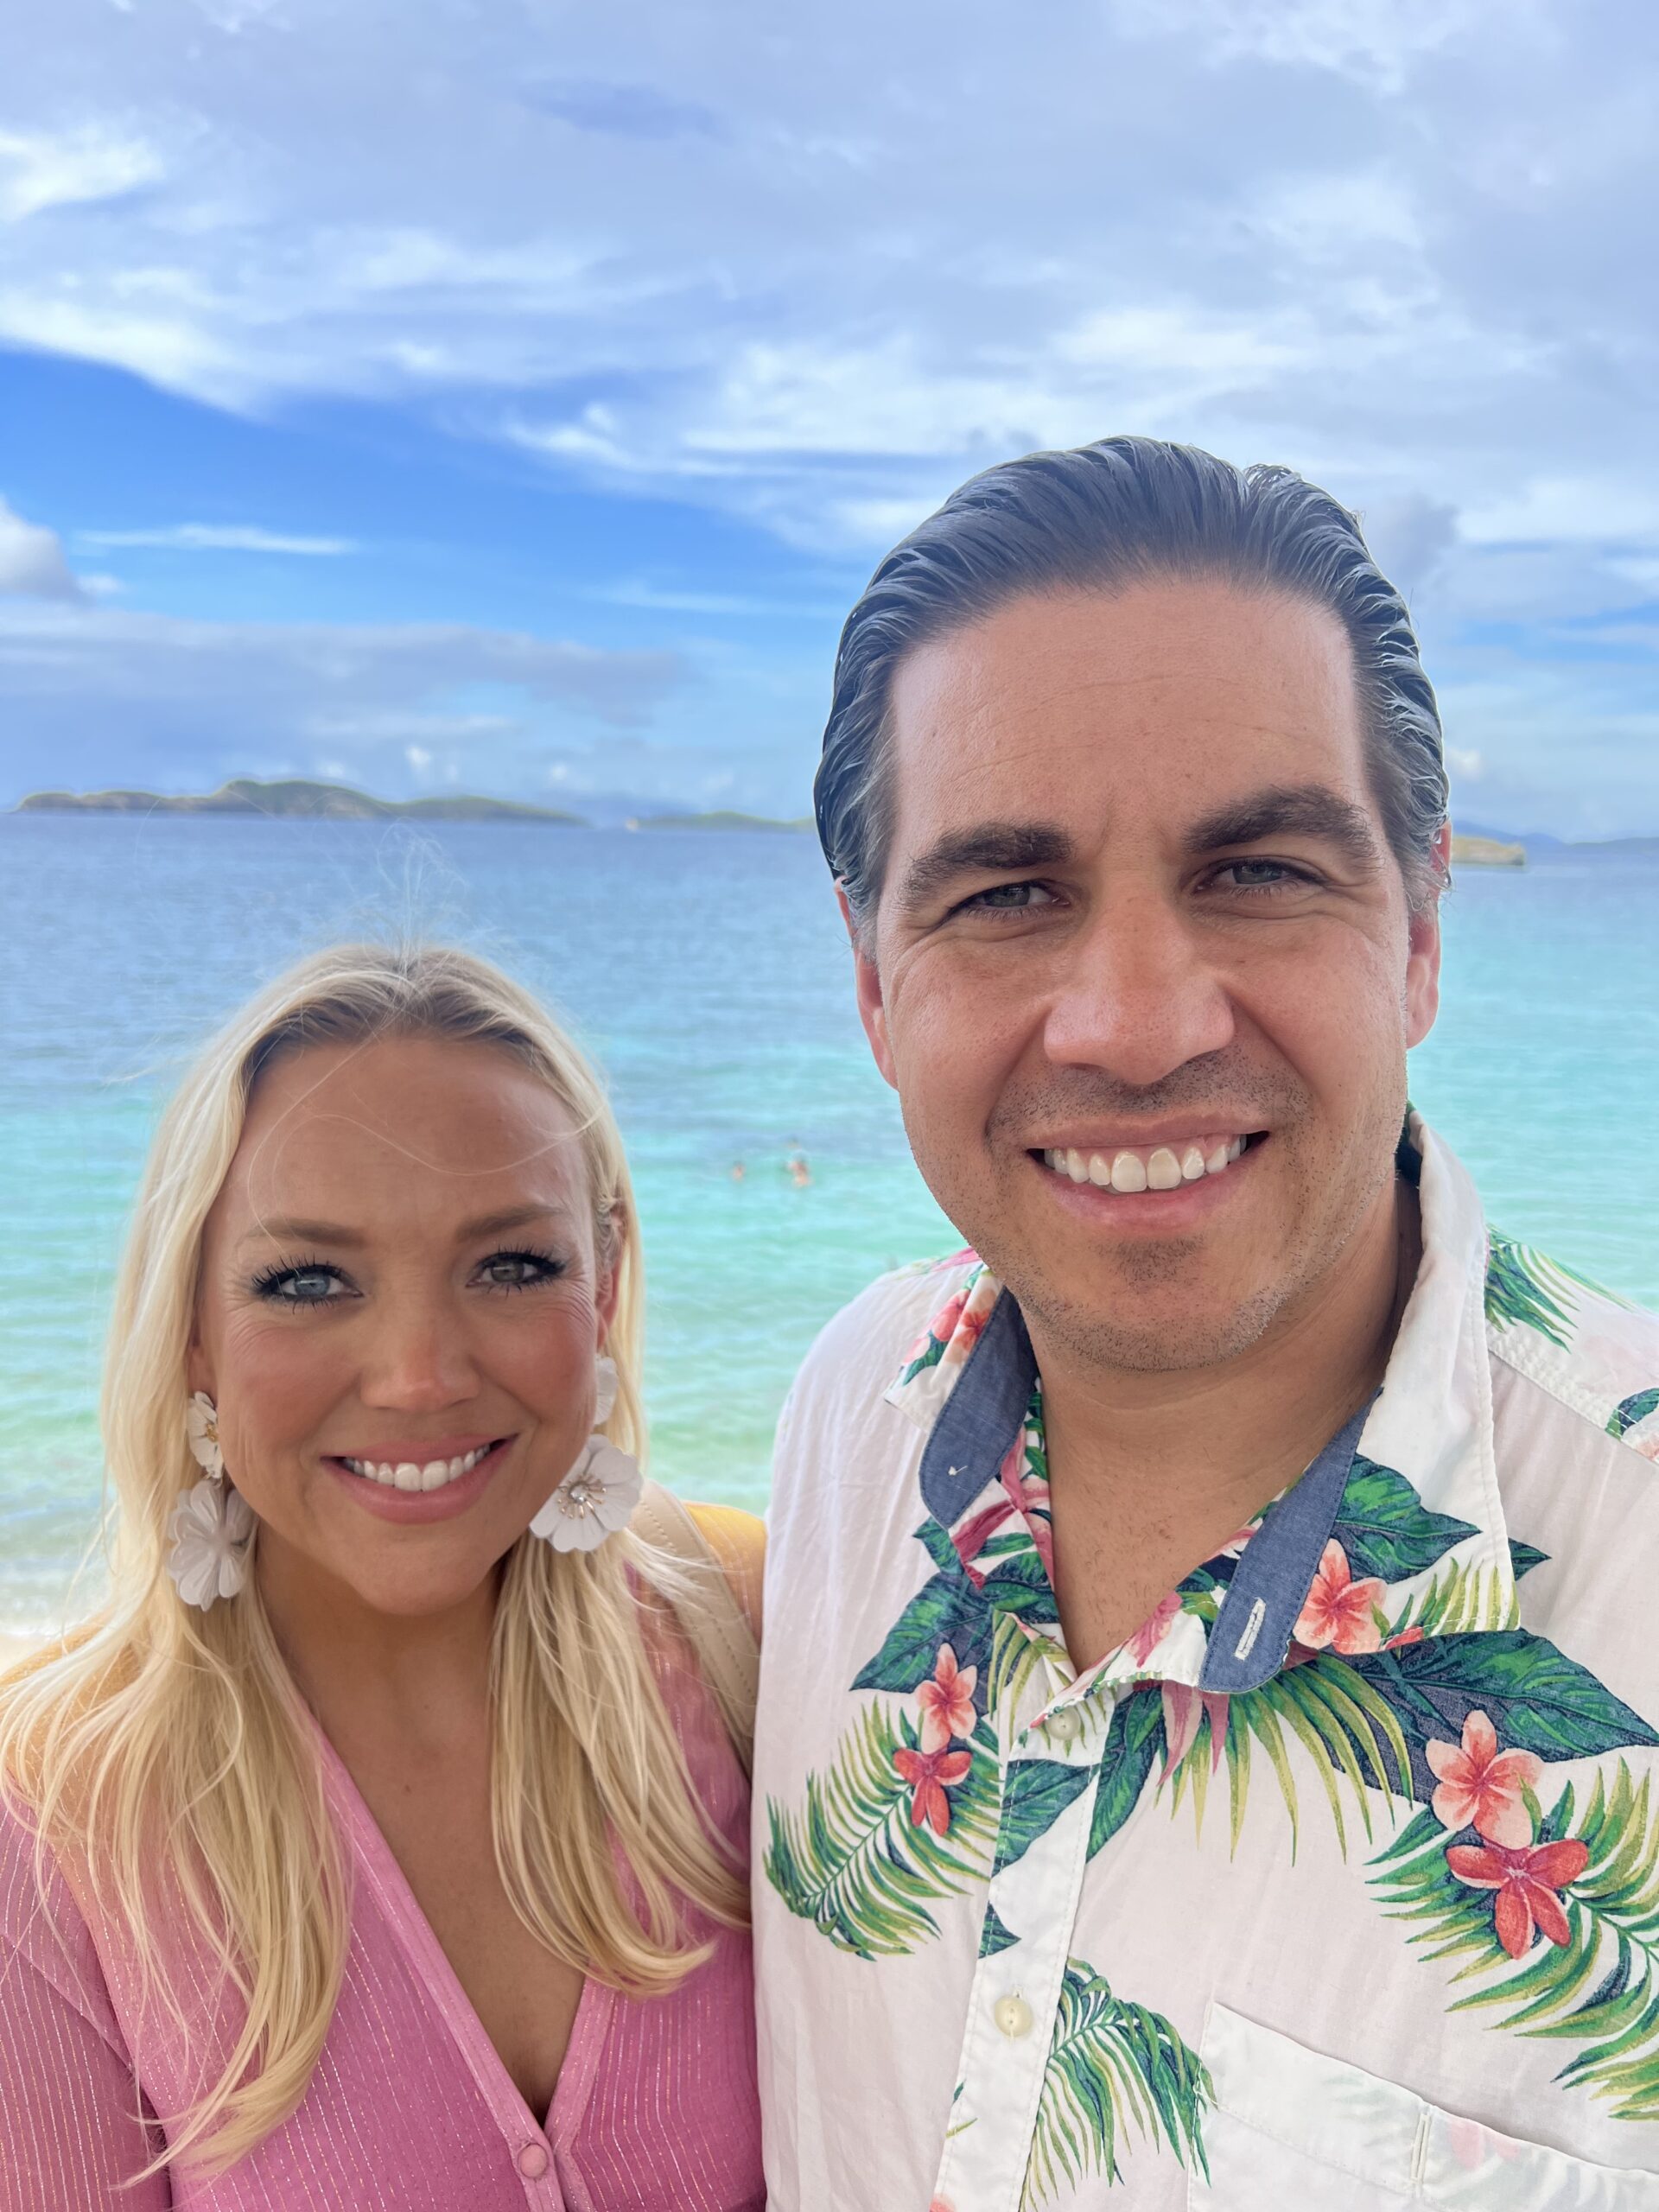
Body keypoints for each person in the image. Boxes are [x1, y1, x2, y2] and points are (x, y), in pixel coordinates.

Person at [753, 437, 1659, 2210]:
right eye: (1007, 893)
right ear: (872, 975)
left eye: (1255, 870)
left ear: (1419, 927)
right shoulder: (853, 1409)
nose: (1134, 1020)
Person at [0, 944, 765, 2209]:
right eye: (309, 1281)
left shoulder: (739, 1632)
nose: (418, 1375)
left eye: (512, 1265)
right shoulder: (51, 1831)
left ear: (606, 1285)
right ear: (191, 1329)